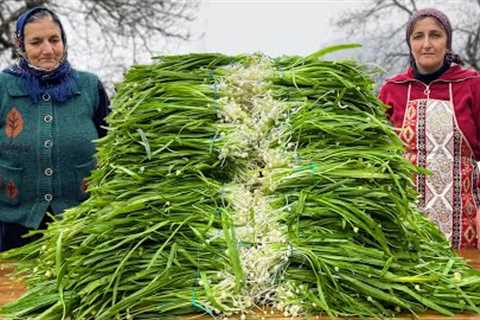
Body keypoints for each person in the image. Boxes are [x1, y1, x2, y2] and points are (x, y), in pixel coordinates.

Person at [0, 6, 110, 251]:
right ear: (21, 46)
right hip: (13, 226)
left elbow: (112, 146)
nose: (47, 50)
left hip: (81, 224)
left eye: (54, 40)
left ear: (63, 41)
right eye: (36, 42)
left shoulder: (89, 87)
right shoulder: (3, 86)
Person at [379, 8, 480, 249]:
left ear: (447, 42)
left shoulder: (472, 85)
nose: (427, 44)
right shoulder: (392, 90)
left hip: (466, 225)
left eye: (435, 35)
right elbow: (378, 157)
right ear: (410, 43)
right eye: (418, 36)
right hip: (406, 225)